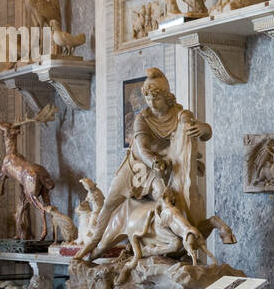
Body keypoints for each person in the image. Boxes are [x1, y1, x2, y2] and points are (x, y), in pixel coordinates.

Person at [76, 68, 211, 262]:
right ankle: (92, 242)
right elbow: (141, 148)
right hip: (138, 167)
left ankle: (164, 245)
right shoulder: (143, 118)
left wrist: (203, 129)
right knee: (109, 203)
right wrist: (154, 161)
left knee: (168, 204)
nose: (151, 103)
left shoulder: (179, 114)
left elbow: (202, 131)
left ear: (167, 98)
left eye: (156, 99)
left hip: (167, 168)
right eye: (147, 99)